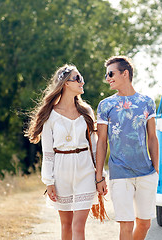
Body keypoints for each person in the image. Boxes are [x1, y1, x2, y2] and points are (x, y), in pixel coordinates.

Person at [25, 64, 98, 240]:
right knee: (66, 226)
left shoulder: (86, 111)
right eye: (78, 78)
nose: (82, 82)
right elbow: (48, 153)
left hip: (85, 170)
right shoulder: (50, 115)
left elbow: (94, 147)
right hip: (61, 171)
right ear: (65, 83)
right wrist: (49, 182)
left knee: (78, 226)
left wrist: (100, 175)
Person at [95, 56, 159, 240]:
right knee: (126, 224)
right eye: (106, 75)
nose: (107, 78)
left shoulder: (146, 102)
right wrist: (99, 177)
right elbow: (101, 142)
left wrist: (156, 169)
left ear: (125, 74)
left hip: (146, 172)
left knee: (145, 223)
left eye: (111, 73)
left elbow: (152, 137)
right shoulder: (106, 105)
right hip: (120, 172)